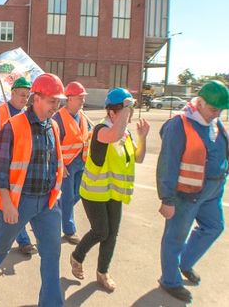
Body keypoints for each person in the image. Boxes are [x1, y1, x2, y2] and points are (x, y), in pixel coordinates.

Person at [0, 73, 66, 306]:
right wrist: (6, 204)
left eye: (58, 102)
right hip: (18, 201)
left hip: (47, 203)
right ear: (37, 99)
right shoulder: (13, 126)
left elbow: (54, 160)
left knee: (52, 253)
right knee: (0, 246)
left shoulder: (52, 126)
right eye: (52, 101)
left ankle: (52, 302)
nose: (56, 107)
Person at [70, 88, 149, 292]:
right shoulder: (101, 131)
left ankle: (103, 272)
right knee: (101, 231)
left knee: (112, 234)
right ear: (112, 113)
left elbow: (138, 158)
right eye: (126, 111)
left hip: (114, 193)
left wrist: (142, 137)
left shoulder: (126, 133)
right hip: (94, 193)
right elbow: (113, 135)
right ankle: (77, 256)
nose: (130, 115)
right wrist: (126, 107)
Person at [157, 81, 229, 303]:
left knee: (214, 227)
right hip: (185, 194)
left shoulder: (215, 123)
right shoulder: (180, 124)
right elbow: (167, 164)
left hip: (212, 192)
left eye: (220, 110)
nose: (217, 114)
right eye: (213, 109)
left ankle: (184, 263)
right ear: (199, 102)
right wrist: (167, 199)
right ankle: (170, 280)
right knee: (175, 238)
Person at [0, 77, 34, 255]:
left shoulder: (27, 114)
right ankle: (23, 239)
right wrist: (7, 139)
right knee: (10, 198)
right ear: (12, 93)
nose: (24, 99)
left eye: (27, 96)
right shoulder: (0, 112)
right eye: (21, 95)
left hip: (19, 163)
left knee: (4, 196)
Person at [53, 81, 91, 244]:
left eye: (83, 97)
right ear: (69, 99)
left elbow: (88, 135)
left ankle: (56, 210)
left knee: (79, 194)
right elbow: (52, 144)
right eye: (79, 97)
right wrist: (60, 165)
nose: (83, 100)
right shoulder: (58, 118)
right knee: (68, 197)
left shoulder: (83, 117)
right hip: (66, 165)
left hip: (81, 163)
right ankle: (69, 230)